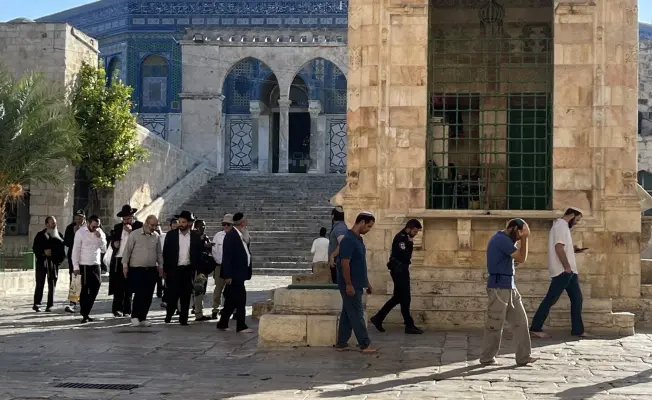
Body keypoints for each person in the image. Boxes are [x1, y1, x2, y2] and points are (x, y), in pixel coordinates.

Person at [480, 218, 537, 367]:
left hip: (509, 286)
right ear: (513, 228)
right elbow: (522, 258)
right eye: (520, 233)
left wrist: (522, 238)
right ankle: (487, 357)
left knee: (521, 322)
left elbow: (517, 259)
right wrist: (525, 239)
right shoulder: (501, 239)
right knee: (495, 323)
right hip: (499, 287)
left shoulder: (507, 241)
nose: (519, 237)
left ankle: (523, 356)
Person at [530, 207, 590, 338]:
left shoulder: (562, 227)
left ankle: (578, 330)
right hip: (563, 271)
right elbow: (558, 248)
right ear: (572, 215)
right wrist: (566, 267)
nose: (576, 223)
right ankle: (535, 328)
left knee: (577, 299)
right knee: (551, 299)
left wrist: (573, 249)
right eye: (577, 220)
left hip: (570, 271)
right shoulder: (561, 226)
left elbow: (563, 247)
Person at [370, 219, 424, 334]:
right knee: (404, 297)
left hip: (401, 270)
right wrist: (410, 243)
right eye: (415, 231)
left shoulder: (405, 238)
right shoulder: (401, 238)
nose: (416, 234)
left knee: (399, 297)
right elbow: (406, 256)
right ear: (409, 228)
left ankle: (379, 318)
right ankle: (408, 325)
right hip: (399, 271)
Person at [334, 212, 377, 353]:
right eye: (368, 226)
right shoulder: (348, 240)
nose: (369, 229)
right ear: (362, 222)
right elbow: (345, 263)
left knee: (348, 313)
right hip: (350, 284)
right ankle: (365, 344)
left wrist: (367, 282)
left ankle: (341, 343)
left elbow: (360, 264)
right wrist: (348, 284)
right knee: (357, 314)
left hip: (358, 282)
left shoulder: (358, 240)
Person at [121, 215, 163, 327]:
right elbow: (127, 251)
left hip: (151, 269)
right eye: (152, 225)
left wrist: (161, 266)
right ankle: (135, 316)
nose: (154, 227)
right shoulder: (135, 234)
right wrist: (125, 266)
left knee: (148, 295)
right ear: (146, 223)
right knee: (139, 294)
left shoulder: (156, 236)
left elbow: (159, 252)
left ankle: (143, 317)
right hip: (137, 269)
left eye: (156, 225)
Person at [162, 210, 203, 325]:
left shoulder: (195, 236)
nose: (180, 224)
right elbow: (165, 253)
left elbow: (198, 254)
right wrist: (165, 270)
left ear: (189, 223)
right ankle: (169, 315)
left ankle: (183, 319)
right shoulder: (171, 235)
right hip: (174, 269)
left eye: (183, 222)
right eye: (179, 222)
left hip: (188, 270)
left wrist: (198, 271)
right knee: (172, 295)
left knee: (186, 295)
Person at [216, 212, 254, 333]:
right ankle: (241, 326)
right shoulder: (231, 236)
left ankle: (222, 323)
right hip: (234, 274)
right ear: (242, 223)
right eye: (245, 221)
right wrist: (227, 275)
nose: (247, 223)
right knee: (241, 300)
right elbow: (227, 257)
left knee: (231, 300)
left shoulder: (241, 234)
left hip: (240, 273)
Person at [109, 205, 143, 317]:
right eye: (124, 219)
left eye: (128, 218)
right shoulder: (118, 227)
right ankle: (117, 309)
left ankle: (127, 310)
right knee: (118, 285)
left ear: (133, 217)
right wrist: (114, 244)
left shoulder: (139, 226)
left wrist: (131, 232)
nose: (126, 221)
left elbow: (142, 240)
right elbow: (113, 240)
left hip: (132, 259)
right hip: (119, 258)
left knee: (129, 286)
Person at [71, 215, 107, 324]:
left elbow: (104, 249)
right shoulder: (80, 233)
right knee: (83, 289)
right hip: (84, 265)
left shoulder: (100, 233)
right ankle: (85, 313)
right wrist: (76, 267)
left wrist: (100, 238)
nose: (95, 228)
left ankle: (86, 310)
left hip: (96, 264)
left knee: (96, 285)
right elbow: (76, 250)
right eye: (93, 226)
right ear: (88, 223)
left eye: (97, 226)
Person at [32, 216, 66, 312]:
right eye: (52, 223)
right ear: (47, 224)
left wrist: (56, 260)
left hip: (53, 263)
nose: (54, 225)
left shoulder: (59, 235)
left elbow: (62, 252)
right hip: (42, 262)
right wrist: (43, 252)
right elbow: (35, 248)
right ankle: (37, 303)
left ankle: (50, 305)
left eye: (55, 223)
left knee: (52, 284)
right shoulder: (40, 235)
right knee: (40, 283)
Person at [193, 219, 217, 322]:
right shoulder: (193, 237)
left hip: (204, 267)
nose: (203, 227)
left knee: (202, 289)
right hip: (196, 268)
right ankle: (198, 313)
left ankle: (197, 309)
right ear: (196, 226)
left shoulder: (205, 236)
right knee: (198, 289)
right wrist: (203, 244)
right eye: (201, 225)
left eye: (204, 225)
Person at [63, 210, 85, 313]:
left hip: (86, 257)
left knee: (85, 279)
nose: (78, 220)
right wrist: (74, 234)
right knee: (75, 278)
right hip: (74, 257)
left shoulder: (89, 227)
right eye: (76, 218)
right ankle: (73, 302)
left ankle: (84, 301)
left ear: (84, 218)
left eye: (80, 218)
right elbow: (67, 242)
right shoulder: (70, 227)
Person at [211, 214, 233, 319]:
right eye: (224, 224)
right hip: (220, 266)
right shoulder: (218, 236)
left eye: (228, 224)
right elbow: (214, 251)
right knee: (218, 289)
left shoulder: (237, 236)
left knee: (232, 290)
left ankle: (231, 309)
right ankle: (215, 309)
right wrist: (219, 262)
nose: (226, 226)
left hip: (232, 267)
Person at [328, 206, 348, 284]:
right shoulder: (340, 226)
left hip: (338, 263)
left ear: (333, 216)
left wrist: (332, 255)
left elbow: (343, 243)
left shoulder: (339, 228)